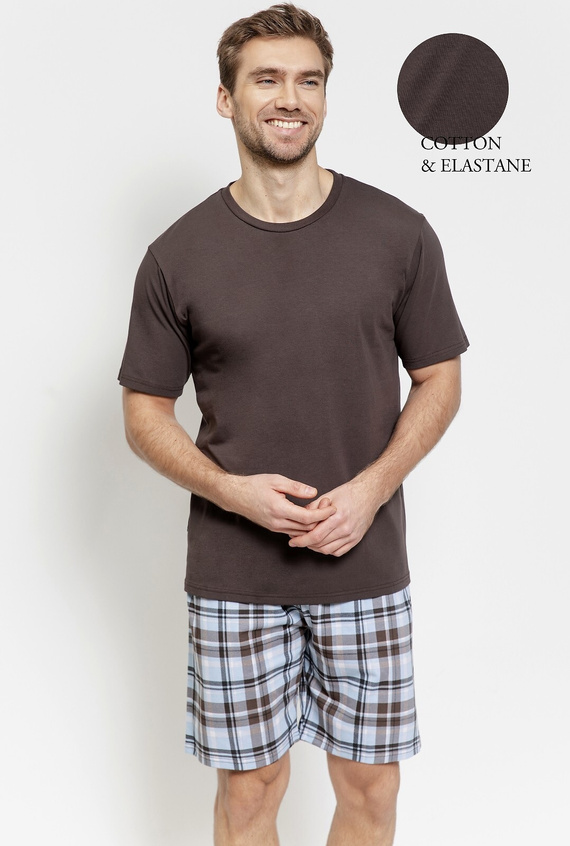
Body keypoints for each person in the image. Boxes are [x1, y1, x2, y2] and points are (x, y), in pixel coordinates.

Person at [118, 4, 469, 844]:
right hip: (235, 576)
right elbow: (143, 412)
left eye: (309, 81)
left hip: (365, 564)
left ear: (325, 97)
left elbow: (440, 378)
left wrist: (372, 489)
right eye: (267, 79)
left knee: (371, 788)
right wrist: (231, 492)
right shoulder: (177, 255)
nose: (290, 98)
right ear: (226, 99)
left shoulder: (398, 234)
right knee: (249, 796)